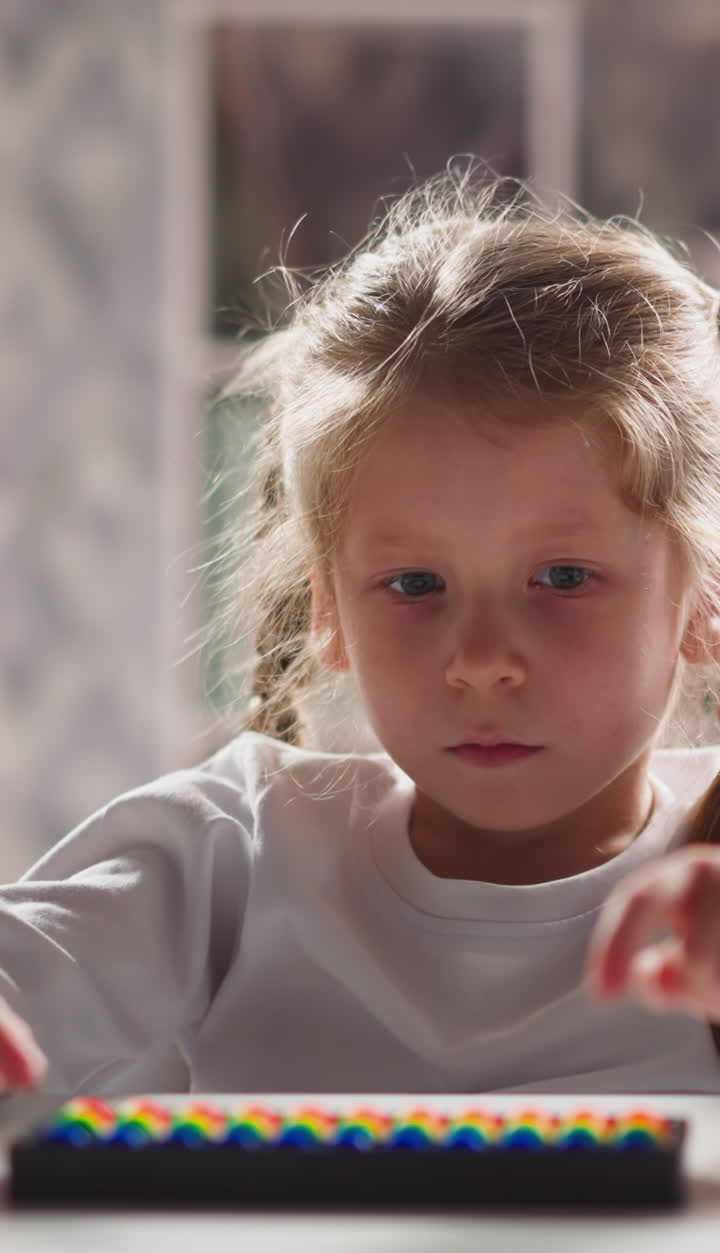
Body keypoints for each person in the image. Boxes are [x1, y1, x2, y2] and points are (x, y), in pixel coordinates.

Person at [4, 164, 720, 1099]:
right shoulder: (235, 850)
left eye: (563, 579)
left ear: (703, 598)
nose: (481, 661)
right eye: (415, 583)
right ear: (328, 614)